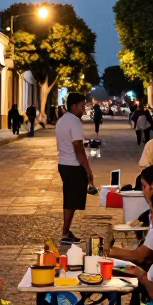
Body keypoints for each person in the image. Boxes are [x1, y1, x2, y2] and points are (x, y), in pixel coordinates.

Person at [55, 91, 95, 241]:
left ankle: (66, 231)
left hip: (63, 164)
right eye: (81, 105)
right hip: (73, 165)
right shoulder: (74, 121)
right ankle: (65, 233)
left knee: (70, 198)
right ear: (73, 106)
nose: (84, 109)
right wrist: (88, 169)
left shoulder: (62, 120)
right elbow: (78, 146)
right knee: (72, 200)